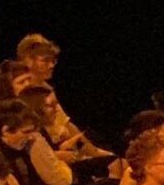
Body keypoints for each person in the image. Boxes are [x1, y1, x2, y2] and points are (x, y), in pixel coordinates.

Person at [14, 34, 108, 162]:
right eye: (46, 60)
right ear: (28, 60)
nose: (52, 65)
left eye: (53, 61)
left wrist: (92, 150)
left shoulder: (46, 87)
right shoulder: (21, 97)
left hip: (68, 150)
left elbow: (65, 123)